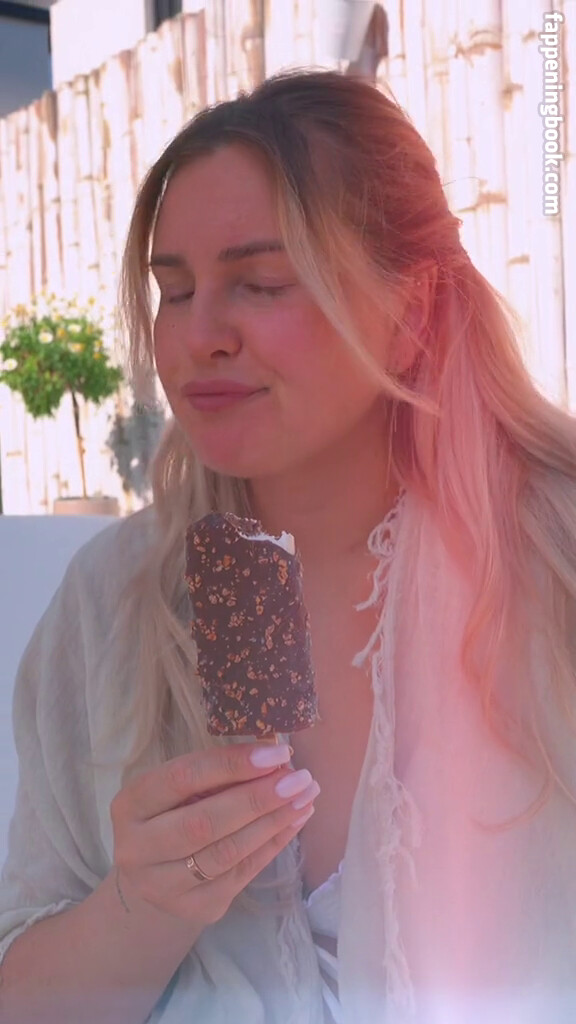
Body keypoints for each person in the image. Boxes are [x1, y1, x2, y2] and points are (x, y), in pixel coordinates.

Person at [1, 67, 576, 1024]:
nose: (200, 336)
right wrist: (140, 908)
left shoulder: (552, 564)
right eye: (174, 291)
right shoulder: (121, 602)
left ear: (414, 312)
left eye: (260, 284)